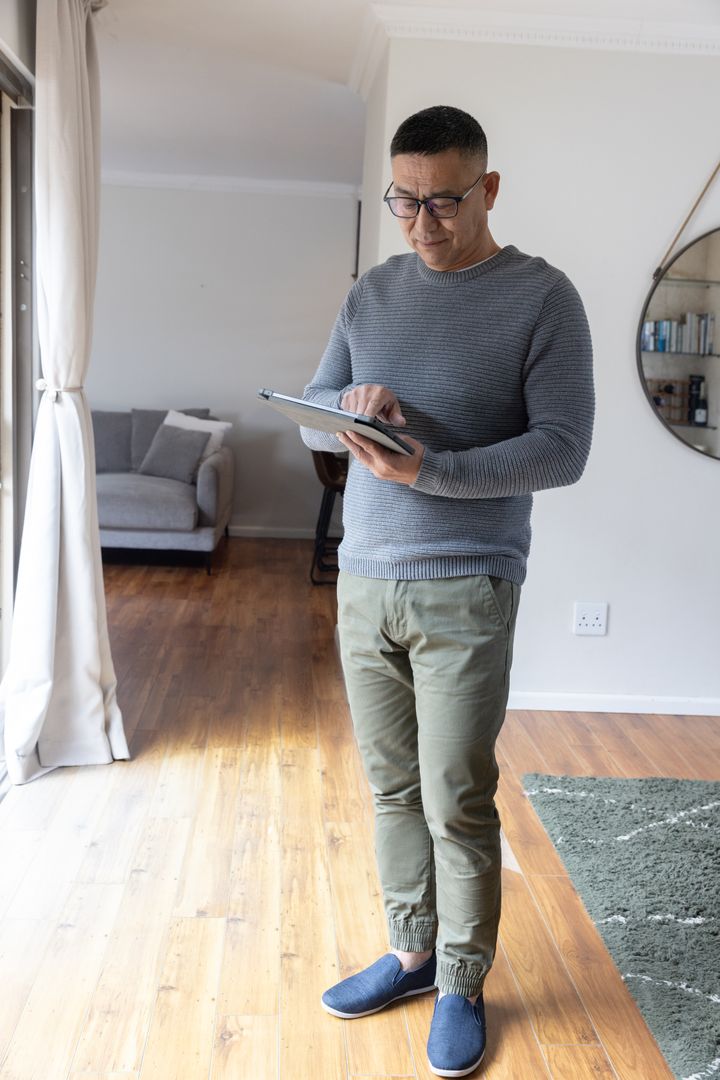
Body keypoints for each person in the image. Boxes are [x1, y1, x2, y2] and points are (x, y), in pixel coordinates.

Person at [300, 104, 594, 1078]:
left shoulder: (542, 298)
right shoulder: (371, 293)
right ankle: (413, 952)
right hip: (365, 580)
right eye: (404, 200)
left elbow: (562, 451)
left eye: (444, 202)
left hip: (468, 584)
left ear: (489, 190)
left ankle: (464, 981)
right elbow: (311, 421)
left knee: (455, 797)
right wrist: (347, 411)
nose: (422, 222)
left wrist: (427, 468)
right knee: (389, 788)